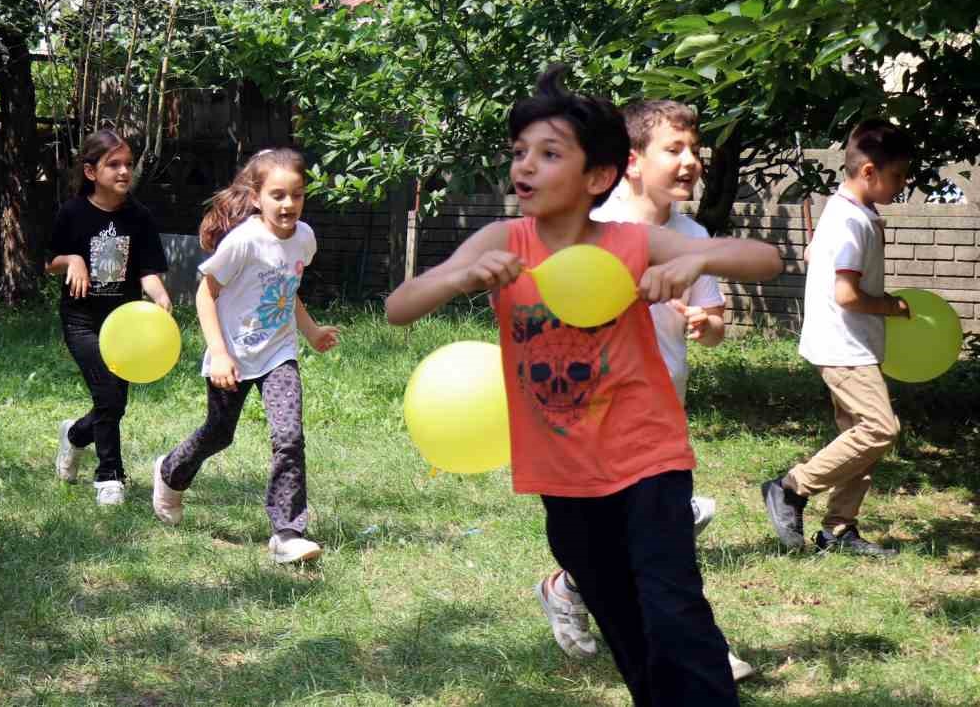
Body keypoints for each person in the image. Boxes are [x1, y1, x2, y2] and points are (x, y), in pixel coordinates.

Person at [385, 66, 781, 705]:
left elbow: (768, 260)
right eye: (520, 153)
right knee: (623, 622)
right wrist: (460, 278)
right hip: (563, 472)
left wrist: (695, 259)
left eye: (548, 154)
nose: (526, 166)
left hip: (647, 457)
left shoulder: (627, 242)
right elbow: (398, 307)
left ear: (597, 177)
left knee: (673, 611)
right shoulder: (501, 239)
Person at [533, 99, 753, 681]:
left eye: (695, 150)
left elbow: (714, 322)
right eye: (674, 150)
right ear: (631, 162)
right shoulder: (594, 229)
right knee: (649, 537)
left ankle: (571, 588)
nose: (691, 161)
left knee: (648, 533)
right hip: (599, 413)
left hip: (663, 412)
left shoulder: (693, 235)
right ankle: (699, 649)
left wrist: (708, 326)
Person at [151, 148, 340, 565]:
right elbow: (206, 292)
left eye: (297, 195)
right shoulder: (244, 242)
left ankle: (287, 532)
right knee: (219, 434)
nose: (288, 204)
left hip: (278, 353)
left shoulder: (305, 238)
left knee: (289, 436)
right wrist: (219, 353)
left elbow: (286, 291)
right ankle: (169, 472)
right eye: (278, 195)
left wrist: (310, 332)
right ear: (256, 198)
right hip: (233, 355)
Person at [760, 118, 914, 558]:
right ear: (869, 171)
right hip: (844, 345)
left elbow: (817, 256)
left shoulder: (849, 213)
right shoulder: (850, 221)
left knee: (856, 438)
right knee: (879, 429)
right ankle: (790, 488)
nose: (902, 184)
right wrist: (892, 306)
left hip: (851, 343)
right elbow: (846, 295)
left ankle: (839, 530)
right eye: (898, 175)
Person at [46, 130, 170, 505]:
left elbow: (148, 270)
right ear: (90, 171)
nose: (123, 171)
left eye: (128, 165)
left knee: (113, 401)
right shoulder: (72, 213)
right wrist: (74, 259)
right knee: (108, 397)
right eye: (113, 164)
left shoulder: (139, 217)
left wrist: (160, 295)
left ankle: (75, 436)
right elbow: (49, 262)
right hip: (82, 321)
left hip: (126, 324)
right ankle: (109, 475)